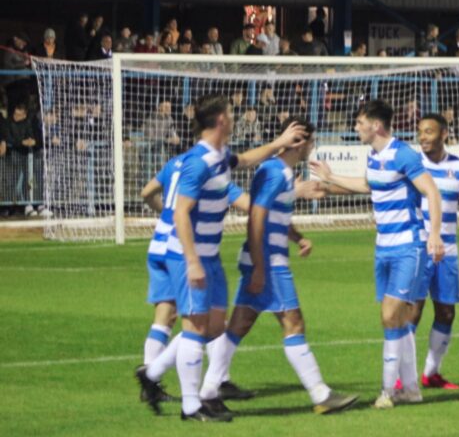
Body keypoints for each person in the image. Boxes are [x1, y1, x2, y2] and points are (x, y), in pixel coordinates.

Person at [135, 95, 310, 421]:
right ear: (220, 121)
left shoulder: (218, 156)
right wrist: (191, 260)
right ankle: (192, 406)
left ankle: (152, 372)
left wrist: (279, 142)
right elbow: (181, 214)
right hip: (189, 255)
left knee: (214, 326)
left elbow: (244, 159)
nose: (233, 117)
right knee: (195, 325)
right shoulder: (198, 162)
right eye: (230, 113)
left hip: (210, 255)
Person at [198, 118, 359, 415]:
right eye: (310, 141)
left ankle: (208, 391)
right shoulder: (275, 172)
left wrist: (297, 238)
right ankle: (321, 394)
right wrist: (261, 267)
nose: (312, 146)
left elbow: (274, 216)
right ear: (300, 142)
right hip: (269, 263)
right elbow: (257, 217)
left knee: (238, 326)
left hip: (261, 259)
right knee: (293, 324)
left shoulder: (279, 171)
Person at [309, 100, 444, 409]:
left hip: (409, 247)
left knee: (388, 316)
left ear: (376, 126)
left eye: (359, 123)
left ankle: (388, 391)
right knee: (396, 319)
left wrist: (434, 234)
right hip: (383, 247)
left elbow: (431, 192)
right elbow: (369, 186)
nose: (355, 127)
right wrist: (330, 181)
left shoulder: (404, 154)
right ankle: (410, 389)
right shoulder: (373, 156)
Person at [136, 162, 250, 406]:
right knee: (204, 318)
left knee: (166, 315)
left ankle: (151, 383)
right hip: (181, 248)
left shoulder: (175, 164)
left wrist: (165, 212)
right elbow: (247, 205)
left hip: (159, 243)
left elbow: (146, 192)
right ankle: (209, 384)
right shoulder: (207, 172)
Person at [402, 114, 459, 391]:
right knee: (413, 311)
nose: (422, 137)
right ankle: (403, 376)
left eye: (428, 131)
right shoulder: (413, 166)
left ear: (444, 134)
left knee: (446, 312)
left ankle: (431, 373)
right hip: (418, 248)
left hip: (447, 250)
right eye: (420, 132)